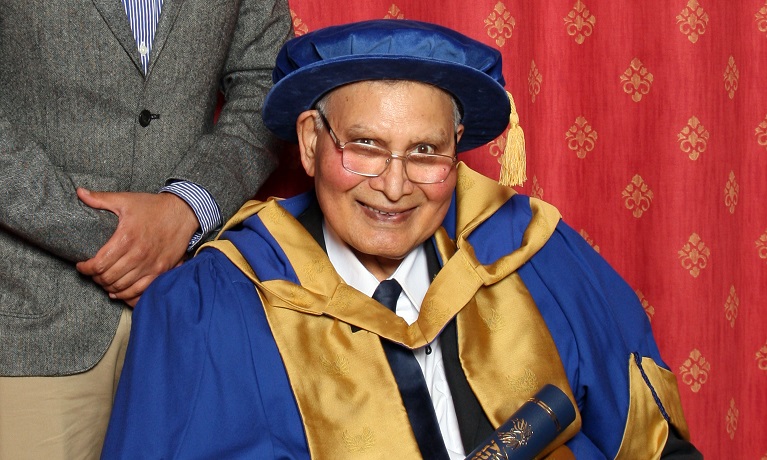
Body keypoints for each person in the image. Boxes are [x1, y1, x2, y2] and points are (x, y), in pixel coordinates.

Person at [101, 19, 702, 459]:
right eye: (364, 146)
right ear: (310, 142)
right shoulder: (213, 307)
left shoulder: (531, 254)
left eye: (424, 151)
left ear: (457, 149)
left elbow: (654, 443)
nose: (394, 187)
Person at [0, 1, 292, 458]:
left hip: (190, 313)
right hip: (27, 312)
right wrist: (125, 242)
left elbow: (269, 82)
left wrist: (186, 206)